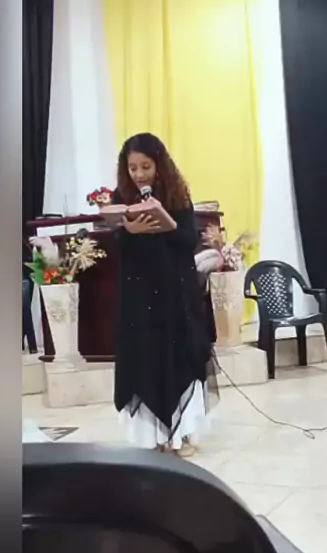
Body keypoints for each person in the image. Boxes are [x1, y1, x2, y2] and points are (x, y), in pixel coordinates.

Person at [111, 133, 217, 457]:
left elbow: (189, 241)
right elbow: (119, 245)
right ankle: (155, 437)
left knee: (180, 359)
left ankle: (183, 435)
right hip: (139, 297)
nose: (139, 174)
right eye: (133, 168)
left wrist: (166, 224)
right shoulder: (122, 195)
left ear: (159, 164)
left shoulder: (177, 193)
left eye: (146, 166)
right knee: (146, 360)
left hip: (175, 295)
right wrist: (129, 231)